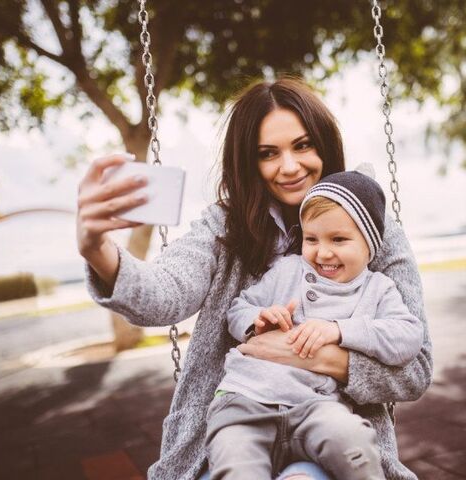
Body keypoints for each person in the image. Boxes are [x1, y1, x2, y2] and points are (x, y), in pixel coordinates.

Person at [77, 77, 432, 480]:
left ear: (325, 144)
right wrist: (98, 250)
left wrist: (314, 350)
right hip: (237, 425)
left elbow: (414, 369)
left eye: (303, 145)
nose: (290, 167)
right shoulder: (224, 226)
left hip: (333, 428)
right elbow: (165, 293)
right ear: (249, 162)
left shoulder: (370, 225)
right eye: (268, 153)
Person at [206, 170, 424, 480]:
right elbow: (238, 308)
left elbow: (408, 336)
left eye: (339, 239)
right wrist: (257, 320)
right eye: (311, 239)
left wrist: (339, 329)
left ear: (370, 245)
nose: (322, 252)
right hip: (245, 401)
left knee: (356, 445)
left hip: (317, 407)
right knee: (237, 467)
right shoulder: (287, 270)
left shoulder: (378, 290)